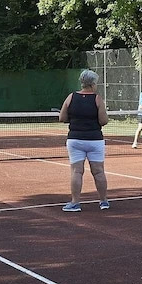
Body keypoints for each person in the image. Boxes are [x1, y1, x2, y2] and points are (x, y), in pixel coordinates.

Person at [58, 69, 110, 212]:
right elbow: (103, 121)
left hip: (75, 139)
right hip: (95, 140)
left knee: (76, 172)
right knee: (98, 172)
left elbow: (62, 118)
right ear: (92, 84)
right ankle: (103, 201)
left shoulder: (71, 97)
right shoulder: (97, 99)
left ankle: (75, 202)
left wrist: (75, 119)